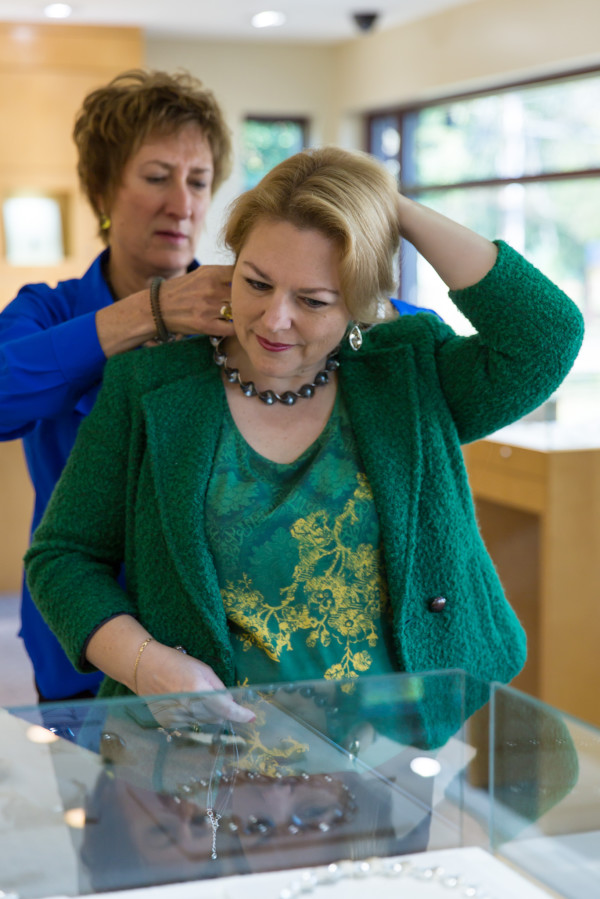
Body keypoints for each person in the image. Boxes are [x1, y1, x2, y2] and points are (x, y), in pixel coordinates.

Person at [24, 146, 584, 734]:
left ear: (362, 305)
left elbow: (544, 335)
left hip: (388, 760)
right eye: (256, 283)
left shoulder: (409, 374)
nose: (273, 320)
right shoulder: (149, 384)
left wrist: (386, 204)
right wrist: (146, 666)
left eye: (313, 301)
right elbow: (63, 558)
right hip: (198, 765)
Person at [0, 69, 237, 703]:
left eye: (199, 181)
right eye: (157, 177)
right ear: (103, 188)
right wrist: (148, 314)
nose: (182, 204)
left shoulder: (241, 310)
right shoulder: (48, 312)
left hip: (218, 648)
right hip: (79, 649)